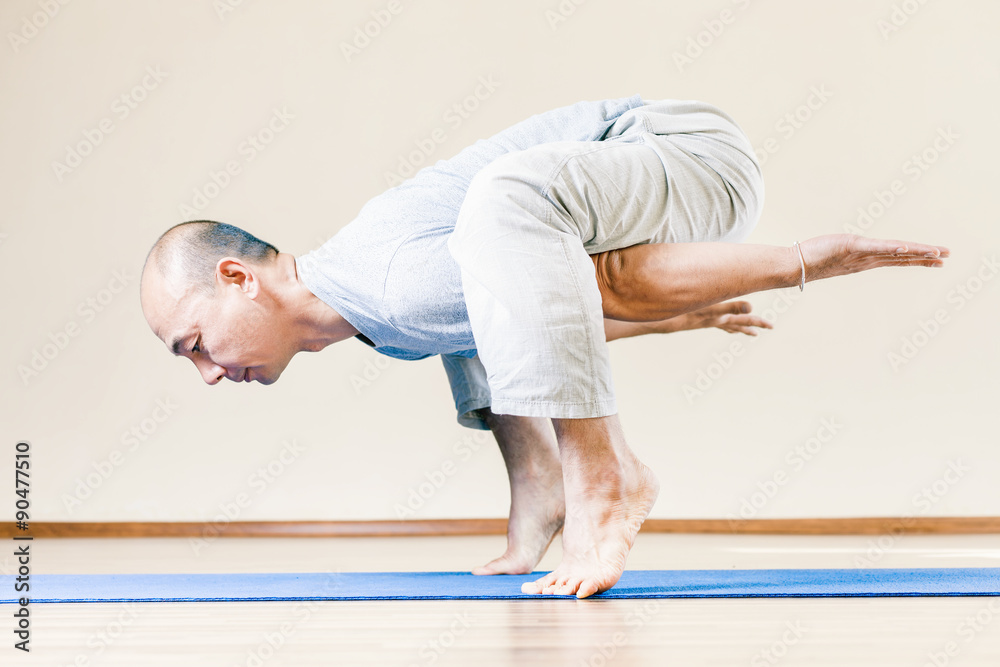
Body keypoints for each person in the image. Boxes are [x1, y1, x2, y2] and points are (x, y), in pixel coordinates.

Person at [139, 94, 949, 598]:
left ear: (239, 278)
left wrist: (803, 261)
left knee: (498, 216)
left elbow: (595, 286)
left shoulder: (384, 281)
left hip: (687, 152)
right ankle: (543, 494)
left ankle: (599, 473)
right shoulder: (373, 304)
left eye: (195, 343)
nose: (209, 371)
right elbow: (542, 308)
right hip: (659, 190)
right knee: (480, 312)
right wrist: (679, 317)